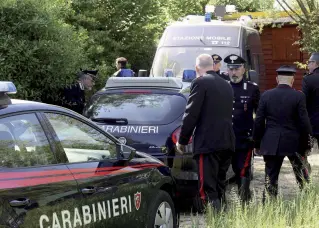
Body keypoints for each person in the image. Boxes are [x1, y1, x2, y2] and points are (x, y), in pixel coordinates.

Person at [175, 54, 235, 211]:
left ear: (197, 68)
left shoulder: (200, 83)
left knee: (208, 189)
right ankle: (223, 220)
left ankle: (215, 222)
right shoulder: (226, 84)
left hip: (208, 143)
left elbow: (191, 114)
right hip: (227, 141)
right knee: (220, 186)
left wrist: (182, 140)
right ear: (213, 65)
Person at [253, 65, 312, 200]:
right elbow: (304, 123)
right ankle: (309, 201)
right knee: (301, 176)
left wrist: (257, 142)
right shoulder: (298, 96)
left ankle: (269, 204)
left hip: (271, 141)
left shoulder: (266, 95)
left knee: (270, 177)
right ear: (292, 80)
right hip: (294, 142)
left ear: (277, 79)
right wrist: (306, 145)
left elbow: (259, 121)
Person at [223, 54, 260, 202]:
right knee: (221, 171)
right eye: (231, 69)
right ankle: (220, 202)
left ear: (244, 69)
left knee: (242, 170)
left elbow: (259, 115)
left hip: (243, 138)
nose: (234, 72)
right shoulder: (222, 87)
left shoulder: (252, 89)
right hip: (224, 138)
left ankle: (244, 201)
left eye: (237, 68)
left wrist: (257, 139)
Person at [302, 52, 319, 172]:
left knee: (303, 151)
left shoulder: (308, 80)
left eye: (309, 62)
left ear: (315, 63)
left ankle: (306, 174)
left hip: (311, 123)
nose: (308, 65)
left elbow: (303, 102)